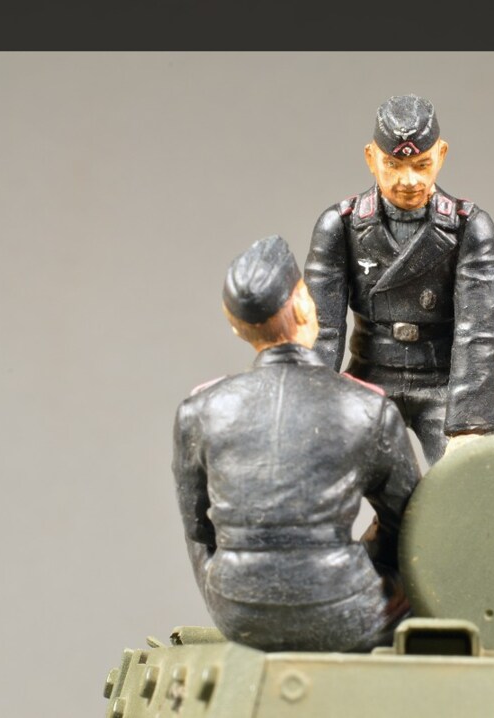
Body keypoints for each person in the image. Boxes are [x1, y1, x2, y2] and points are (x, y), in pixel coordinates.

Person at [172, 235, 421, 652]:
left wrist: (231, 595)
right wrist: (358, 561)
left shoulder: (199, 410)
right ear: (305, 304)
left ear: (235, 325)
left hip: (238, 614)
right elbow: (409, 523)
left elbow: (199, 531)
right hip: (344, 614)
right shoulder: (366, 406)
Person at [304, 94, 494, 466]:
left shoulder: (469, 228)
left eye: (421, 164)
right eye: (393, 165)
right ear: (371, 158)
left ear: (441, 155)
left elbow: (479, 331)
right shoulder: (341, 225)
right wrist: (310, 403)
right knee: (324, 467)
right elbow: (321, 328)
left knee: (469, 477)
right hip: (368, 377)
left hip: (443, 384)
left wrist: (468, 424)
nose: (408, 180)